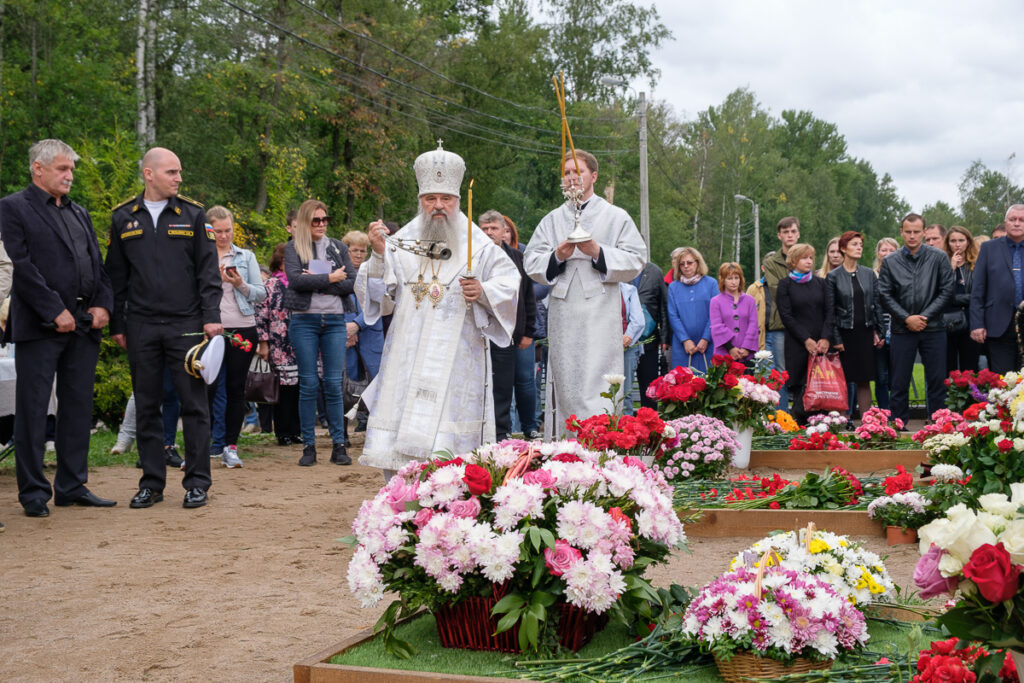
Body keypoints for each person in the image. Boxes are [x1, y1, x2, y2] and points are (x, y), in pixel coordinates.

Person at [356, 143, 520, 476]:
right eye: (431, 198)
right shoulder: (400, 241)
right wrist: (376, 254)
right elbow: (379, 297)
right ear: (421, 201)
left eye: (446, 199)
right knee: (400, 434)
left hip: (458, 357)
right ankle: (400, 498)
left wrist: (483, 291)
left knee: (449, 433)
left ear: (457, 202)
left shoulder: (479, 244)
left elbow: (509, 282)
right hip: (408, 352)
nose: (439, 206)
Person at [0, 139, 115, 517]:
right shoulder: (13, 207)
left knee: (78, 407)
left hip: (83, 326)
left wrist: (102, 303)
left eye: (72, 170)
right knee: (33, 411)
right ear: (38, 168)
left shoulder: (79, 212)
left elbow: (97, 265)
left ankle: (71, 484)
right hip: (40, 326)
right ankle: (33, 493)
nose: (70, 175)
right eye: (63, 169)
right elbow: (22, 267)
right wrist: (55, 309)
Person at [105, 146, 221, 509]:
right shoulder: (124, 217)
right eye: (172, 172)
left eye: (179, 172)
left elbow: (208, 272)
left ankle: (197, 482)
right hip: (140, 326)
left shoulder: (193, 214)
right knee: (148, 405)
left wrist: (211, 316)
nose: (179, 178)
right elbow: (116, 278)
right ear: (149, 174)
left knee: (194, 405)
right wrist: (119, 324)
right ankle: (151, 483)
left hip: (185, 325)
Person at [524, 150, 646, 437]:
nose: (571, 177)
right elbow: (531, 261)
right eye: (566, 173)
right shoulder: (553, 219)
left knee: (599, 376)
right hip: (564, 310)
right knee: (566, 378)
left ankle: (603, 442)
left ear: (594, 176)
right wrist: (557, 256)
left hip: (601, 309)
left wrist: (598, 252)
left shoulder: (615, 216)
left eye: (577, 171)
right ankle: (566, 445)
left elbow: (637, 258)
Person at [283, 199, 356, 466]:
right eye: (316, 220)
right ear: (304, 222)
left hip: (335, 321)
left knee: (334, 384)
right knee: (309, 383)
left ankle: (339, 444)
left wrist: (317, 279)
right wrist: (330, 277)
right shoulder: (293, 248)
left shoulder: (338, 247)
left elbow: (351, 282)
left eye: (325, 219)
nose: (322, 224)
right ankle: (308, 446)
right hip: (304, 321)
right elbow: (295, 280)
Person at [878, 213, 954, 425]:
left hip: (934, 328)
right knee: (899, 381)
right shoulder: (890, 261)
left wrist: (925, 316)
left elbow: (947, 291)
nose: (912, 236)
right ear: (901, 232)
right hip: (902, 330)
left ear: (924, 232)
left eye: (916, 232)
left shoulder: (938, 258)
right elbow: (884, 294)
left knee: (937, 380)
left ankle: (938, 425)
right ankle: (898, 424)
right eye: (908, 232)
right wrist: (906, 318)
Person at [205, 206, 265, 468]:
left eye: (228, 230)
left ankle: (230, 445)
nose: (224, 236)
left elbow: (260, 294)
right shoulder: (201, 255)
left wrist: (238, 283)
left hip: (242, 327)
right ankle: (207, 444)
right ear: (209, 230)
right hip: (210, 329)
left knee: (235, 389)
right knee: (207, 388)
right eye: (218, 231)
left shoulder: (245, 255)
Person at [479, 210, 537, 440]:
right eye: (485, 228)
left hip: (508, 331)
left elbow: (527, 295)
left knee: (504, 384)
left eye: (494, 228)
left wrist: (528, 331)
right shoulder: (470, 257)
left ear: (505, 231)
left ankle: (501, 432)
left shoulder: (517, 257)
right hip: (477, 331)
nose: (490, 232)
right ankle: (480, 429)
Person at [826, 231, 881, 419]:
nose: (859, 248)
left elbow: (877, 304)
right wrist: (836, 338)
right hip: (844, 333)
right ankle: (840, 423)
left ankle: (867, 423)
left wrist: (878, 330)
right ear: (843, 248)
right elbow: (830, 310)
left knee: (864, 379)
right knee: (842, 380)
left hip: (865, 333)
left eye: (861, 245)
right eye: (854, 244)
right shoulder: (833, 276)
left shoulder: (869, 274)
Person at [777, 243, 833, 424]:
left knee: (821, 387)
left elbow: (830, 312)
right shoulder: (785, 285)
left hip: (821, 343)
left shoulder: (821, 283)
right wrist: (805, 339)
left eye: (811, 258)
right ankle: (800, 427)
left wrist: (825, 338)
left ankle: (822, 428)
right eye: (804, 258)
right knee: (801, 388)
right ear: (794, 261)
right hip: (797, 344)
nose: (809, 261)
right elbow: (786, 315)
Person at [256, 243, 301, 445]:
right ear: (281, 262)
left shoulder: (301, 282)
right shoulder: (271, 285)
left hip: (301, 343)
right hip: (279, 344)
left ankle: (296, 431)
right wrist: (263, 344)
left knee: (300, 388)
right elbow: (261, 316)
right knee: (283, 389)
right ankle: (282, 432)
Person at [971, 205, 1024, 373]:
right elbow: (978, 289)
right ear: (1005, 222)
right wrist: (977, 323)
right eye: (1012, 219)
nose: (1016, 223)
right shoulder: (989, 248)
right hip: (998, 326)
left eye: (1021, 220)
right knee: (1003, 381)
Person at [341, 230, 384, 433]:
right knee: (343, 384)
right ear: (346, 250)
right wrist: (345, 329)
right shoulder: (338, 272)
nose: (359, 254)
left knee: (376, 383)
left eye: (363, 250)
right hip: (343, 336)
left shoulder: (372, 270)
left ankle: (374, 430)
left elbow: (378, 302)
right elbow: (332, 302)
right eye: (354, 250)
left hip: (371, 334)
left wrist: (357, 324)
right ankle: (341, 432)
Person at [763, 217, 801, 410]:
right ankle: (782, 419)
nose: (790, 235)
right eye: (786, 232)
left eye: (793, 231)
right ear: (779, 235)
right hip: (780, 325)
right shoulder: (772, 262)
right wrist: (803, 293)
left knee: (803, 372)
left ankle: (804, 418)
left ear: (798, 234)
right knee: (780, 373)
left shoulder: (806, 256)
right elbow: (778, 291)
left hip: (805, 324)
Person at [667, 247, 717, 373]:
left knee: (709, 386)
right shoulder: (673, 287)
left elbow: (715, 314)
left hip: (708, 344)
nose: (686, 266)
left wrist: (705, 338)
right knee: (683, 385)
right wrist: (685, 340)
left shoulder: (711, 284)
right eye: (682, 264)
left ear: (698, 263)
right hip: (682, 346)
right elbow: (673, 315)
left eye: (689, 262)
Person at [943, 225, 979, 373]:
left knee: (970, 369)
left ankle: (971, 397)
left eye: (961, 240)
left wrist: (956, 299)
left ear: (968, 242)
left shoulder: (976, 264)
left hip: (971, 322)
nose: (957, 244)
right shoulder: (942, 264)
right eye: (953, 241)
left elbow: (978, 295)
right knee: (947, 369)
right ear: (948, 243)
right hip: (947, 323)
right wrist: (951, 269)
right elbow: (942, 294)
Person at [633, 259, 668, 410]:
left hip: (650, 338)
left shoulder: (655, 271)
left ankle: (649, 424)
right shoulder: (619, 269)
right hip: (623, 339)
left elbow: (664, 306)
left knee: (649, 387)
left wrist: (665, 337)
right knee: (623, 386)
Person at [710, 262, 758, 362]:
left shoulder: (750, 300)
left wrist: (746, 348)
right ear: (723, 280)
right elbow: (717, 327)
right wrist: (731, 348)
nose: (734, 282)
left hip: (746, 354)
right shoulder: (715, 301)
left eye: (736, 278)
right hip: (724, 355)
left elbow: (753, 325)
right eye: (730, 278)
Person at [872, 237, 899, 410]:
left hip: (899, 330)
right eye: (884, 250)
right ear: (878, 253)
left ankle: (897, 411)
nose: (887, 253)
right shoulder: (871, 275)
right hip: (879, 330)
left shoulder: (904, 274)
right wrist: (876, 331)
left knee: (897, 376)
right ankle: (883, 412)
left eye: (891, 250)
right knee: (881, 376)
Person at [619, 281, 645, 415]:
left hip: (626, 346)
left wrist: (627, 337)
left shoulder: (629, 290)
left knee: (626, 390)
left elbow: (638, 321)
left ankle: (626, 427)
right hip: (601, 346)